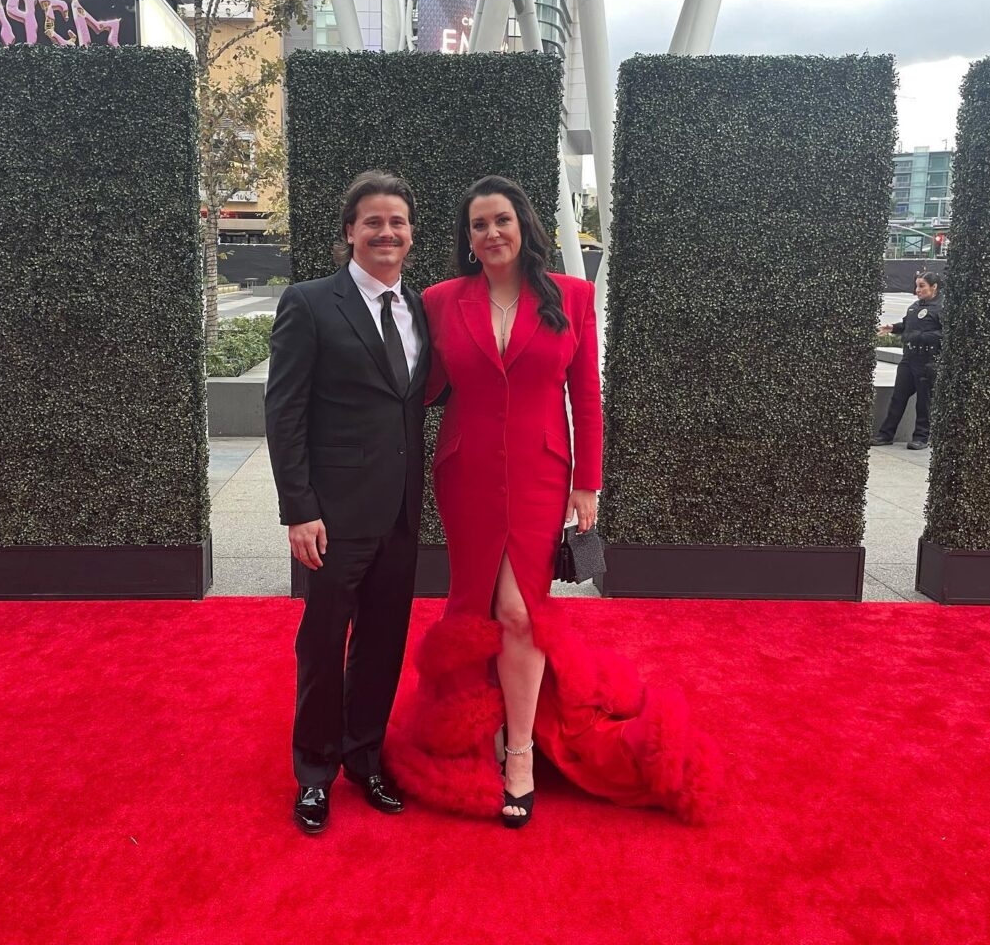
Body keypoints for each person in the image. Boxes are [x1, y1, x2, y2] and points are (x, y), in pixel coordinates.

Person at [387, 176, 721, 827]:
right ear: (467, 239)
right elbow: (419, 389)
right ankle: (471, 731)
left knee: (519, 611)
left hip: (544, 477)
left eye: (501, 220)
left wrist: (588, 483)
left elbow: (587, 398)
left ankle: (519, 754)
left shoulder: (572, 296)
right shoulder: (440, 300)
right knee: (472, 605)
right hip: (468, 474)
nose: (490, 234)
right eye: (478, 225)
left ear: (524, 225)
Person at [265, 171, 429, 834]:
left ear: (411, 234)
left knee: (384, 644)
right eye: (373, 222)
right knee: (324, 643)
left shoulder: (419, 308)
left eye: (397, 222)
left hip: (399, 514)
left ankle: (365, 757)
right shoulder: (308, 303)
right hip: (331, 517)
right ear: (350, 232)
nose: (386, 232)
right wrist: (298, 508)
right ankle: (315, 772)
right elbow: (284, 412)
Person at [872, 271, 944, 451]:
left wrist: (921, 336)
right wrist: (893, 328)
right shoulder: (914, 307)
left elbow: (946, 334)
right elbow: (906, 325)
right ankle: (885, 435)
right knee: (898, 398)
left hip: (927, 360)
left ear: (934, 287)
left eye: (922, 286)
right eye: (917, 285)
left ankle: (921, 437)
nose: (917, 290)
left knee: (923, 402)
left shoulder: (942, 308)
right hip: (908, 359)